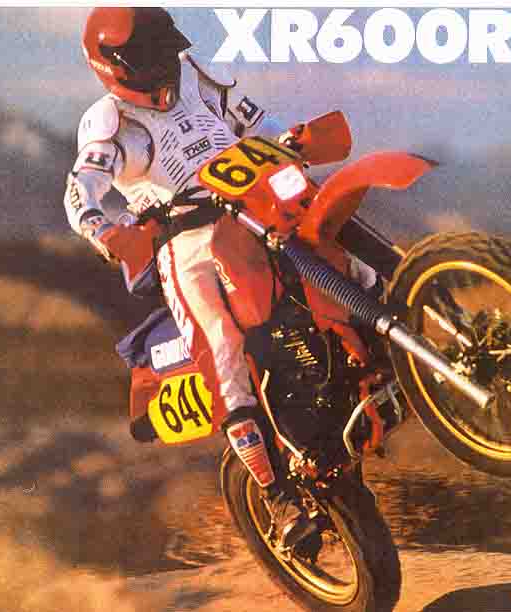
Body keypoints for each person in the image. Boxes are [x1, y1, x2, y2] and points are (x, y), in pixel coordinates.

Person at [65, 7, 367, 547]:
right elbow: (80, 189)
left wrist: (288, 143)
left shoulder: (198, 74)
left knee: (332, 229)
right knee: (221, 343)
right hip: (185, 237)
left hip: (255, 200)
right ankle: (278, 498)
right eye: (149, 53)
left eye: (164, 45)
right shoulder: (109, 122)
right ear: (114, 65)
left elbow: (258, 123)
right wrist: (106, 233)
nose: (164, 60)